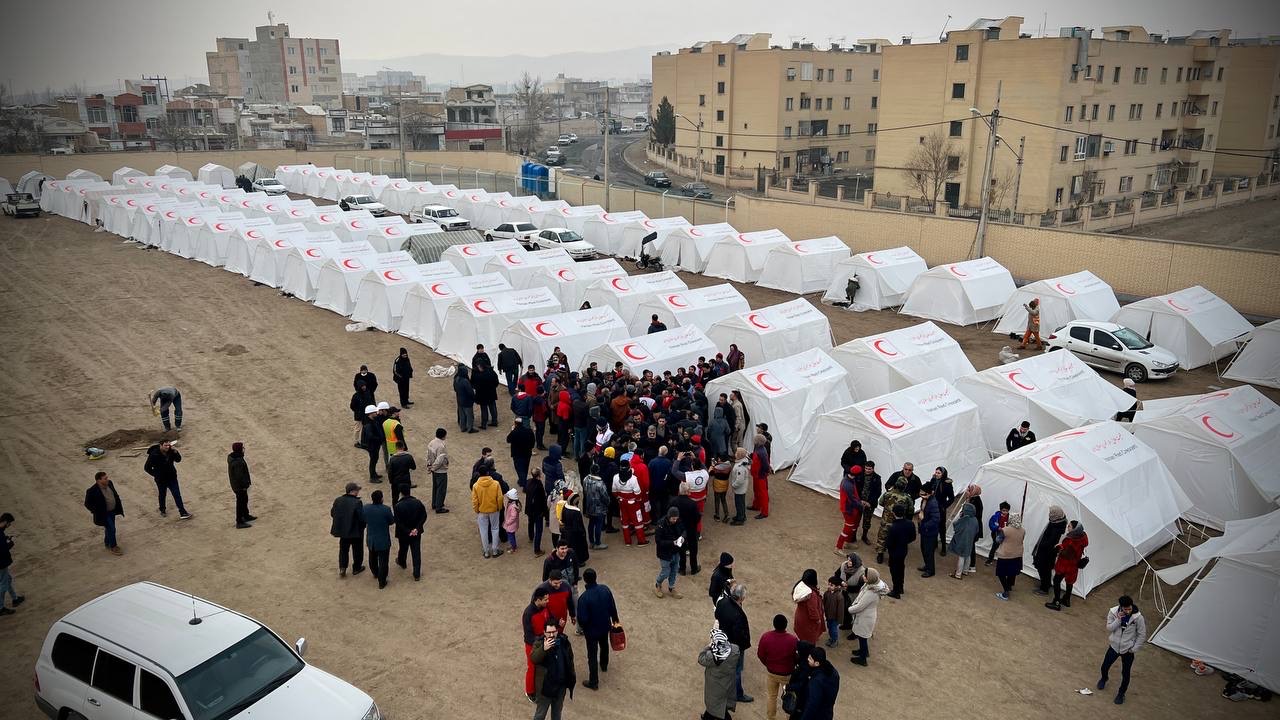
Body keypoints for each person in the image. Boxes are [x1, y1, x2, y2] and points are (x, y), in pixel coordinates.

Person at [1098, 595, 1147, 705]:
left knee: (1125, 673)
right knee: (1104, 666)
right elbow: (1109, 628)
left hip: (1128, 650)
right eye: (1125, 609)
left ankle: (1121, 693)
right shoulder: (1113, 612)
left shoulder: (1138, 617)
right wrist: (1118, 619)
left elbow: (1142, 634)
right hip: (1114, 646)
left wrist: (1134, 648)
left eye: (1129, 608)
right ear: (1121, 607)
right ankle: (1104, 678)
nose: (1128, 611)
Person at [576, 568, 619, 690]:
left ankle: (594, 682)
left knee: (592, 655)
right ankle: (604, 665)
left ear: (585, 580)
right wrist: (615, 620)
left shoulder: (584, 598)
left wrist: (585, 628)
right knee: (604, 645)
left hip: (591, 631)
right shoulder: (605, 589)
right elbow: (612, 607)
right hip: (605, 625)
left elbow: (582, 619)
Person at [531, 618, 577, 720]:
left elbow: (570, 660)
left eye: (554, 632)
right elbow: (533, 658)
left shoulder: (564, 641)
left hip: (560, 687)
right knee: (540, 715)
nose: (551, 635)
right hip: (545, 689)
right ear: (544, 632)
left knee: (557, 714)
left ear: (557, 631)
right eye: (549, 632)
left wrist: (570, 678)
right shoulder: (539, 643)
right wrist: (543, 649)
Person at [716, 583, 753, 703]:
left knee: (724, 665)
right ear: (742, 598)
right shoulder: (738, 615)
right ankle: (737, 693)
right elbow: (739, 635)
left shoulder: (722, 602)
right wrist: (743, 646)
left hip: (722, 639)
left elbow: (717, 615)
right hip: (734, 645)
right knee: (737, 669)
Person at [757, 614, 799, 720]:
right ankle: (789, 717)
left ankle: (771, 718)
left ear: (774, 624)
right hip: (787, 674)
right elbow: (796, 657)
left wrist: (768, 664)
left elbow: (760, 654)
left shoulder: (766, 637)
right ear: (786, 625)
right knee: (790, 696)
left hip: (772, 672)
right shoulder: (793, 640)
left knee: (771, 696)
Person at [846, 567, 887, 666]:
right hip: (867, 615)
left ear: (870, 578)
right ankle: (863, 652)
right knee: (862, 637)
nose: (863, 576)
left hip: (865, 617)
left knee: (862, 637)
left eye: (865, 575)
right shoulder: (873, 586)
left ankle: (863, 659)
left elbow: (860, 606)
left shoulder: (871, 593)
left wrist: (849, 609)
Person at [1046, 520, 1089, 611]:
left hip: (1065, 565)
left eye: (1069, 526)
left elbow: (1066, 554)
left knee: (1056, 581)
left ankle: (1056, 602)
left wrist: (1059, 548)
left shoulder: (1071, 540)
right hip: (1074, 566)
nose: (1067, 527)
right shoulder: (1081, 538)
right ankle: (1066, 599)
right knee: (1069, 582)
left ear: (1074, 529)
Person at [143, 440, 190, 520]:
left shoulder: (171, 451)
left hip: (172, 477)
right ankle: (162, 509)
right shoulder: (154, 454)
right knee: (162, 494)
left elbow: (178, 460)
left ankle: (183, 512)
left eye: (169, 445)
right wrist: (156, 474)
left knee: (177, 495)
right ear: (161, 445)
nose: (167, 447)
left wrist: (176, 452)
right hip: (161, 480)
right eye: (165, 445)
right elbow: (147, 468)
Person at [700, 626, 740, 720]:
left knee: (714, 706)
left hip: (715, 686)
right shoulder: (735, 649)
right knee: (721, 703)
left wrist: (708, 646)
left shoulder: (711, 657)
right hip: (728, 683)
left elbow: (701, 658)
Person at [522, 588, 553, 700]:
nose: (548, 601)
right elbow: (529, 634)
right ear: (538, 600)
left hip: (544, 640)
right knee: (532, 667)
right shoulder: (528, 613)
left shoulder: (545, 607)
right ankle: (529, 691)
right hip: (533, 645)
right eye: (545, 599)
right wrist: (541, 641)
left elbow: (550, 619)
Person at [329, 482, 365, 578]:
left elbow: (332, 513)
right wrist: (362, 527)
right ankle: (356, 568)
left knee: (343, 550)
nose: (358, 492)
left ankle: (342, 568)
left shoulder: (338, 500)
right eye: (357, 490)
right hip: (356, 531)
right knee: (357, 550)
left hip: (343, 531)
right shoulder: (357, 502)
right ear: (353, 491)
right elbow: (361, 518)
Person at [85, 472, 125, 555]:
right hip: (104, 514)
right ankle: (113, 546)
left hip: (112, 511)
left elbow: (114, 494)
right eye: (105, 478)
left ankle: (107, 542)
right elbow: (87, 504)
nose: (107, 479)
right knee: (112, 529)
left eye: (107, 477)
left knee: (109, 528)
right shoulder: (92, 491)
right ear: (98, 480)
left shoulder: (110, 483)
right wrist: (96, 511)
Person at [1032, 506, 1068, 596]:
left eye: (1051, 513)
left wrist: (1042, 545)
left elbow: (1051, 542)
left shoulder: (1057, 527)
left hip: (1047, 553)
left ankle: (1044, 588)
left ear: (1055, 515)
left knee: (1044, 569)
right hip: (1046, 552)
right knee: (1044, 569)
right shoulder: (1057, 522)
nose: (1049, 514)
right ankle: (1045, 585)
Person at [394, 485, 427, 581]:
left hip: (403, 533)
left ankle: (402, 562)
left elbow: (398, 522)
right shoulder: (417, 502)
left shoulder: (398, 506)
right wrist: (416, 528)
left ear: (401, 493)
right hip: (416, 532)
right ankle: (416, 574)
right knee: (416, 552)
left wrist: (408, 531)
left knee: (403, 549)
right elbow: (424, 516)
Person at [362, 490, 395, 589]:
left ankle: (375, 573)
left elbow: (363, 519)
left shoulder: (366, 508)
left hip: (371, 539)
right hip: (383, 540)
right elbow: (391, 521)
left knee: (372, 558)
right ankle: (382, 581)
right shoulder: (386, 509)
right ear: (381, 499)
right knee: (383, 561)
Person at [873, 479, 910, 564]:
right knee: (895, 540)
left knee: (882, 537)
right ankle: (891, 558)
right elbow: (910, 509)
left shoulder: (887, 494)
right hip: (898, 523)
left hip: (886, 520)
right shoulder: (906, 497)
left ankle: (880, 555)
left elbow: (880, 502)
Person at [798, 646, 839, 719]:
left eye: (810, 659)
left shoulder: (816, 680)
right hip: (827, 713)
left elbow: (812, 704)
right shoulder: (833, 672)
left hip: (817, 715)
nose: (808, 659)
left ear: (817, 663)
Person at [885, 504, 916, 598]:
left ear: (894, 513)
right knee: (901, 568)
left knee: (894, 570)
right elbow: (913, 537)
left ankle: (896, 591)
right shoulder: (910, 524)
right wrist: (904, 542)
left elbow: (889, 543)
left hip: (894, 552)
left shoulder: (893, 527)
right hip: (903, 550)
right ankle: (900, 587)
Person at [993, 513, 1025, 601]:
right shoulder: (1023, 530)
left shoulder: (1005, 530)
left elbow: (998, 540)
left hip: (1005, 554)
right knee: (1012, 572)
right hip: (1017, 554)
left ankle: (1006, 592)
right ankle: (1009, 586)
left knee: (1001, 573)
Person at [654, 506, 684, 598]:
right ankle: (658, 584)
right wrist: (672, 543)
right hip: (665, 553)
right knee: (666, 572)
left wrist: (683, 537)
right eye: (673, 519)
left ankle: (671, 588)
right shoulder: (661, 524)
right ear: (669, 516)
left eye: (676, 518)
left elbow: (684, 530)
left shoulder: (678, 521)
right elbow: (658, 541)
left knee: (674, 570)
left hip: (675, 551)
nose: (675, 520)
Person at [471, 473, 504, 558]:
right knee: (495, 529)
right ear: (488, 473)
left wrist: (477, 510)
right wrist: (499, 508)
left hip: (482, 511)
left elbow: (475, 501)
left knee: (483, 531)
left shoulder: (476, 486)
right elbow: (500, 498)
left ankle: (486, 551)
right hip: (494, 510)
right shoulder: (496, 484)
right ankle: (495, 550)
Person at [673, 482, 702, 576]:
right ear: (687, 491)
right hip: (691, 529)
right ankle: (694, 568)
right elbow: (697, 518)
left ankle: (682, 569)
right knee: (693, 549)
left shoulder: (674, 502)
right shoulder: (692, 504)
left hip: (679, 530)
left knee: (681, 549)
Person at [791, 569, 824, 644]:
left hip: (800, 616)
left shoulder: (800, 586)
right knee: (809, 641)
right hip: (808, 621)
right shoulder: (811, 595)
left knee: (802, 636)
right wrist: (818, 620)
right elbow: (813, 611)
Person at [834, 466, 862, 553]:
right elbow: (852, 500)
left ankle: (848, 542)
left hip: (851, 508)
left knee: (853, 526)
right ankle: (838, 547)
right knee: (848, 528)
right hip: (849, 509)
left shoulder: (849, 480)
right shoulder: (848, 484)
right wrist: (860, 505)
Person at [227, 442, 255, 529]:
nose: (243, 449)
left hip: (238, 485)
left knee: (244, 499)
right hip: (239, 486)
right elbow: (239, 476)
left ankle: (245, 515)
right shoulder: (237, 461)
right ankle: (239, 521)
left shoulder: (237, 458)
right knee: (240, 502)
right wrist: (244, 485)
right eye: (242, 448)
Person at [948, 504, 979, 579]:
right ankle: (965, 571)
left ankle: (958, 574)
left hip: (962, 539)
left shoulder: (964, 519)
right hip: (970, 539)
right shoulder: (975, 519)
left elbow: (955, 525)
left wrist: (959, 516)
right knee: (968, 555)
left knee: (961, 556)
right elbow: (977, 530)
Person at [785, 642, 815, 719]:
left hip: (801, 696)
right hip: (800, 695)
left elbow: (801, 684)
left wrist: (788, 687)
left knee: (796, 713)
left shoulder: (805, 667)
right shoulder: (803, 660)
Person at [582, 469, 610, 551]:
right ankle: (598, 543)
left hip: (589, 506)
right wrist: (608, 502)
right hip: (599, 508)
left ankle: (591, 542)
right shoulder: (600, 484)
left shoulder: (586, 479)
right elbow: (605, 496)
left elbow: (585, 491)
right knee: (598, 525)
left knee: (591, 524)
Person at [423, 428, 450, 514]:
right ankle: (439, 506)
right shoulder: (441, 446)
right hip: (440, 470)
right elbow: (439, 460)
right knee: (441, 489)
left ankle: (434, 503)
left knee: (435, 487)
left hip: (434, 469)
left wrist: (429, 466)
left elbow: (428, 455)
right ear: (443, 436)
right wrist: (433, 468)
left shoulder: (431, 442)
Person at [916, 484, 940, 578]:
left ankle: (930, 570)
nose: (921, 495)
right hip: (924, 530)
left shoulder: (933, 503)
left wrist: (924, 525)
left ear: (929, 493)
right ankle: (927, 566)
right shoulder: (925, 500)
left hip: (930, 532)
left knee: (928, 551)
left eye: (923, 494)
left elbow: (936, 519)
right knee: (924, 549)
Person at [0, 513, 21, 615]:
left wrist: (5, 539)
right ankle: (0, 608)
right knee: (3, 585)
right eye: (9, 523)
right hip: (1, 563)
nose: (9, 525)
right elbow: (3, 550)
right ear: (5, 521)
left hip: (1, 562)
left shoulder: (1, 532)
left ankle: (15, 598)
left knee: (8, 579)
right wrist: (11, 543)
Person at [526, 468, 549, 557]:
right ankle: (537, 550)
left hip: (529, 509)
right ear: (539, 475)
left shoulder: (528, 482)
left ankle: (531, 537)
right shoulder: (539, 485)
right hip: (538, 511)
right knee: (539, 530)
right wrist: (545, 513)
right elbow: (543, 499)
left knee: (530, 523)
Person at [858, 461, 881, 544]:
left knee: (867, 521)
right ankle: (853, 535)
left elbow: (878, 492)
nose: (867, 470)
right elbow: (856, 488)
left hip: (869, 504)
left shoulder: (877, 478)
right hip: (859, 502)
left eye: (869, 469)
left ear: (873, 469)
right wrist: (859, 500)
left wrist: (869, 502)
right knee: (855, 519)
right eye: (866, 468)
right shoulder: (859, 475)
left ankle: (864, 536)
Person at [507, 419, 535, 488]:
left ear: (515, 424)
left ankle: (523, 482)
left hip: (517, 454)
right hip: (527, 453)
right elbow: (533, 441)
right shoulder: (529, 431)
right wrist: (530, 448)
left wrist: (512, 430)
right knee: (525, 467)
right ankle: (522, 480)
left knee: (519, 468)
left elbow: (508, 440)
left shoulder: (514, 432)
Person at [933, 466, 954, 556]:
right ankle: (934, 544)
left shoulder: (947, 484)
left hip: (940, 509)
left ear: (943, 474)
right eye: (936, 472)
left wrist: (944, 506)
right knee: (933, 525)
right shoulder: (934, 480)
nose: (937, 474)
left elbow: (952, 498)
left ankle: (943, 548)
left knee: (942, 528)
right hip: (932, 507)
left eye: (939, 473)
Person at [749, 434, 771, 519]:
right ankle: (756, 505)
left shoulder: (761, 452)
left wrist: (764, 472)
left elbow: (765, 465)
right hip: (757, 475)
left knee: (762, 493)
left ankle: (764, 512)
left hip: (760, 475)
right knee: (756, 491)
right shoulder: (760, 449)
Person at [360, 404, 384, 482]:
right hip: (372, 446)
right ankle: (372, 477)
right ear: (370, 413)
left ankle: (374, 474)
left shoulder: (372, 420)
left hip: (374, 445)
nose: (376, 413)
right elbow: (370, 436)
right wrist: (379, 438)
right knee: (373, 460)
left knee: (375, 459)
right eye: (375, 412)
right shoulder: (368, 424)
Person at [473, 361, 501, 429]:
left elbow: (475, 385)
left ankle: (484, 424)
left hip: (482, 396)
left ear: (480, 367)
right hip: (491, 394)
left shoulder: (479, 376)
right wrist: (493, 387)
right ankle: (494, 421)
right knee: (493, 407)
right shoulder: (491, 372)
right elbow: (496, 382)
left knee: (484, 409)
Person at [986, 501, 1011, 565]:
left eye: (1006, 511)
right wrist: (997, 528)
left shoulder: (1010, 518)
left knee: (1003, 548)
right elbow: (991, 524)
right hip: (996, 533)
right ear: (1000, 510)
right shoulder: (995, 517)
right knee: (994, 546)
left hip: (1004, 534)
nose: (1005, 512)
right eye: (1003, 510)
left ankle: (1001, 561)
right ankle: (990, 560)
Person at [453, 364, 477, 433]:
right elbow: (470, 392)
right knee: (469, 415)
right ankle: (470, 428)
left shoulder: (456, 379)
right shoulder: (465, 381)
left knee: (462, 415)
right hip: (467, 401)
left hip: (459, 400)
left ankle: (462, 427)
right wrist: (474, 397)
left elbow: (455, 389)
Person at [350, 382, 374, 448]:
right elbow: (352, 406)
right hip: (359, 415)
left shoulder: (367, 393)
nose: (364, 387)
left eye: (365, 385)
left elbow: (370, 402)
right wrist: (358, 411)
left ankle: (365, 441)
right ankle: (356, 442)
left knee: (366, 428)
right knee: (357, 429)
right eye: (362, 386)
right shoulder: (355, 396)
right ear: (359, 387)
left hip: (366, 415)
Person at [822, 577, 844, 648]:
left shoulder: (839, 596)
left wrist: (839, 620)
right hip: (828, 615)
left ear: (837, 586)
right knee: (829, 627)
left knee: (834, 630)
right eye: (829, 584)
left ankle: (835, 640)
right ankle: (831, 638)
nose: (829, 586)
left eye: (831, 585)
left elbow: (840, 610)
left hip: (835, 618)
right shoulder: (827, 593)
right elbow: (823, 602)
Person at [503, 489, 522, 554]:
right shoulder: (514, 505)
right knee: (512, 536)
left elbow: (513, 516)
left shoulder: (513, 507)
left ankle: (513, 548)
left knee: (511, 537)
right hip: (512, 525)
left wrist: (507, 522)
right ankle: (513, 546)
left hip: (511, 525)